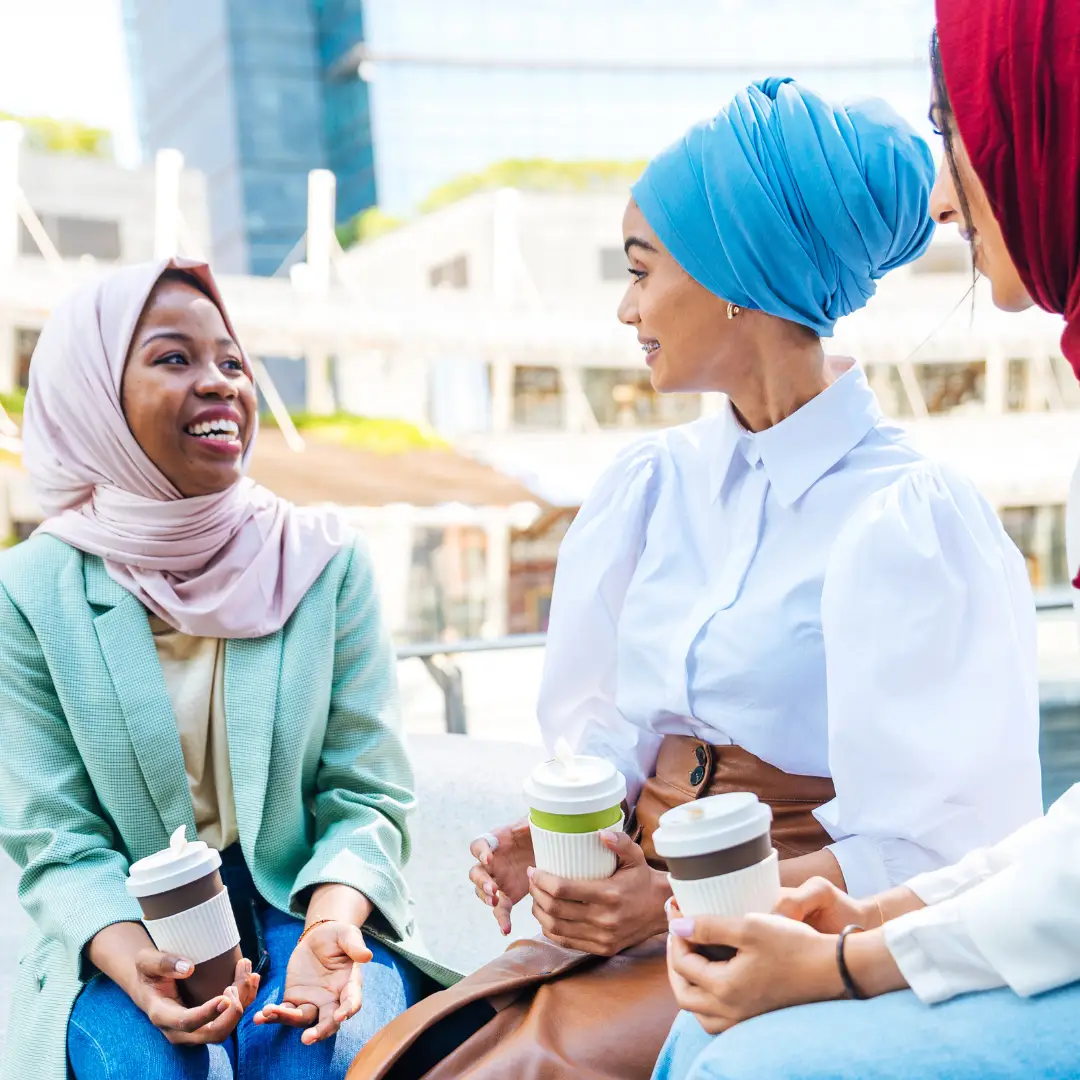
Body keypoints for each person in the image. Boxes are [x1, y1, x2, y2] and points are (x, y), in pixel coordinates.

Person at [348, 78, 1042, 1080]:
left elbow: (942, 851)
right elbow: (599, 735)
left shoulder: (910, 520)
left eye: (642, 269)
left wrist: (672, 895)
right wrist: (568, 851)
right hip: (628, 921)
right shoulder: (645, 489)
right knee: (397, 1060)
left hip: (779, 937)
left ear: (732, 276)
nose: (627, 307)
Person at [651, 2, 1080, 1077]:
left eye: (959, 124)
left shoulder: (910, 515)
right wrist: (879, 916)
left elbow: (954, 821)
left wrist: (852, 958)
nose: (944, 192)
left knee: (743, 1062)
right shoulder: (659, 486)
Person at [0, 260, 454, 1080]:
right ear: (94, 397)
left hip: (307, 896)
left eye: (233, 362)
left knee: (321, 1057)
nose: (220, 385)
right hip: (129, 923)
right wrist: (128, 955)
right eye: (175, 359)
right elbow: (54, 836)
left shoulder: (323, 561)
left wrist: (330, 925)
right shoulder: (30, 592)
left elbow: (367, 793)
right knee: (140, 1068)